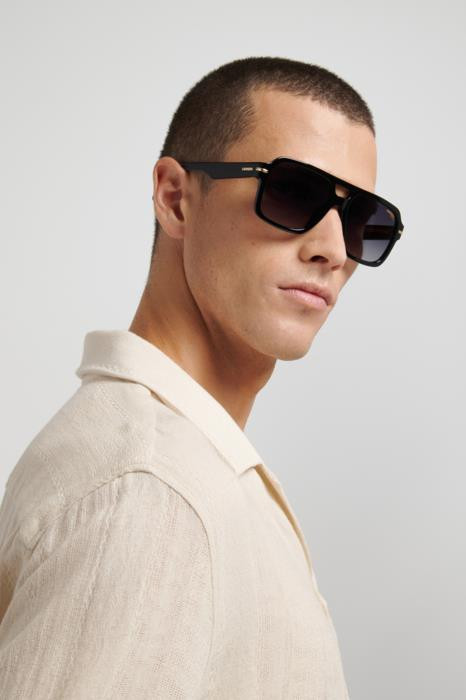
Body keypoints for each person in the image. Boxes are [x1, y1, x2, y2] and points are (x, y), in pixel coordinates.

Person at [0, 56, 404, 699]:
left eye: (361, 222)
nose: (333, 250)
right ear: (175, 199)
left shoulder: (176, 465)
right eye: (294, 193)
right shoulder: (152, 492)